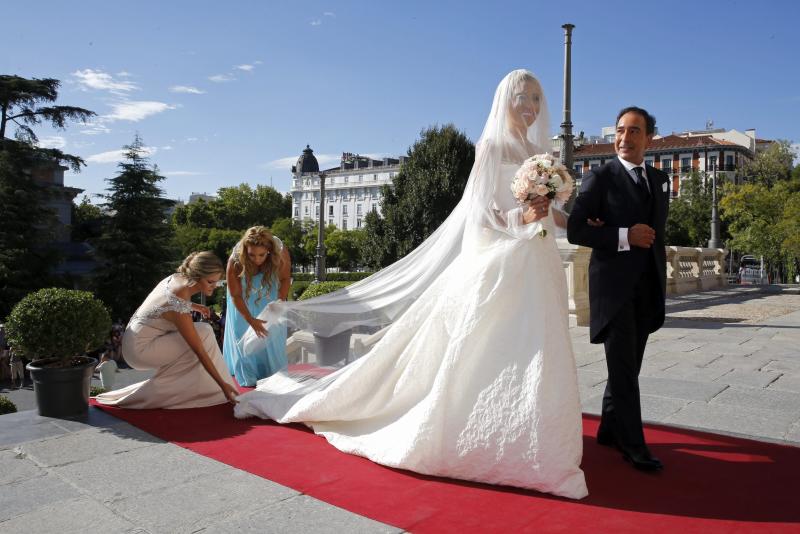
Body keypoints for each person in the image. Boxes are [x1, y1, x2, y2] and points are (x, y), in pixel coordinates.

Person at [234, 70, 587, 499]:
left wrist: (578, 222)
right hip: (500, 261)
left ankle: (536, 435)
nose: (531, 106)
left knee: (537, 347)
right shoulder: (491, 146)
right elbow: (479, 215)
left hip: (538, 258)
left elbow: (550, 214)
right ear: (504, 100)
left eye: (536, 97)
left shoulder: (540, 152)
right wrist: (522, 218)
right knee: (486, 348)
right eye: (522, 97)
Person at [567, 106, 669, 471]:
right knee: (625, 370)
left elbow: (657, 237)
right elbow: (577, 229)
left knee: (629, 367)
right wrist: (625, 235)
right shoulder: (600, 178)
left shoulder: (659, 180)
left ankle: (609, 428)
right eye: (620, 130)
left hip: (647, 287)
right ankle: (633, 445)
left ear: (649, 138)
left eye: (634, 131)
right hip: (612, 290)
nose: (625, 138)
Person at [95, 252, 239, 408]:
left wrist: (195, 306)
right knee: (204, 333)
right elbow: (199, 350)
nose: (214, 286)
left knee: (204, 330)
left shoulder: (177, 278)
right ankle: (210, 390)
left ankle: (201, 387)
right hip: (140, 350)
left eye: (216, 282)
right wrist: (222, 385)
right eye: (211, 282)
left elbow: (162, 306)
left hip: (133, 339)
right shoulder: (180, 295)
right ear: (197, 276)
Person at [222, 226, 291, 386]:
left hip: (270, 295)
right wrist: (250, 319)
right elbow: (235, 295)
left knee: (272, 333)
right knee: (243, 332)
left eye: (261, 254)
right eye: (251, 255)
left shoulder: (280, 252)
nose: (257, 259)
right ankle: (248, 375)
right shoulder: (236, 260)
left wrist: (278, 302)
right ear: (245, 250)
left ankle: (272, 373)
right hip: (243, 298)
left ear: (269, 249)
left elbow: (285, 279)